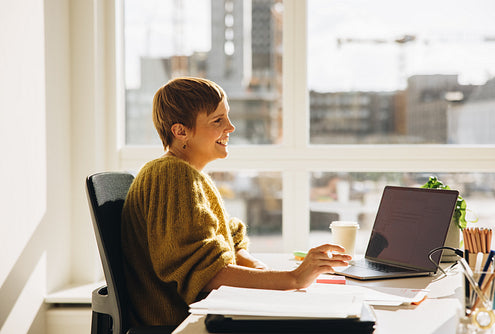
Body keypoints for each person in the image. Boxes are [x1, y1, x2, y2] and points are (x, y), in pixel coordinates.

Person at [121, 77, 352, 327]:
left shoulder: (189, 176)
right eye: (217, 120)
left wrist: (256, 266)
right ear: (180, 131)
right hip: (186, 323)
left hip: (205, 313)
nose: (230, 127)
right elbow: (205, 272)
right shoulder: (171, 175)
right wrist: (294, 278)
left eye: (227, 116)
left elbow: (226, 240)